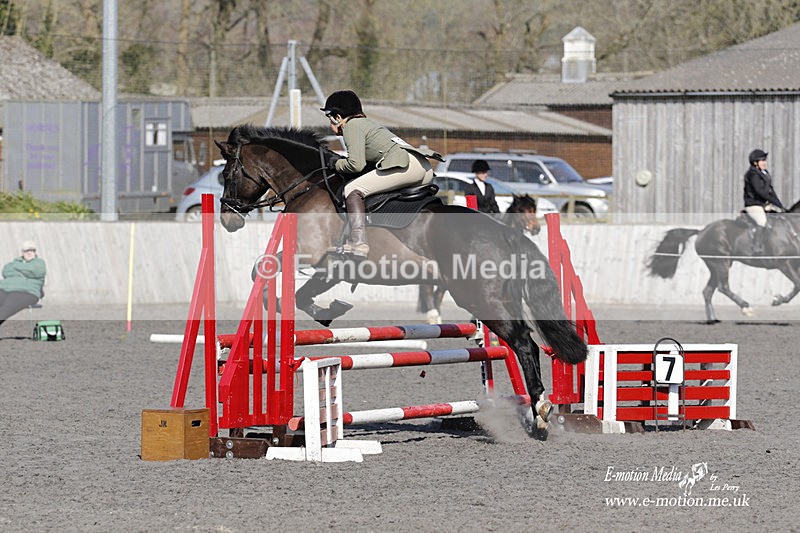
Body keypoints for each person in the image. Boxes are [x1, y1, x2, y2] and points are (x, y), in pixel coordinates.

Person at [322, 90, 443, 258]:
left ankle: (358, 242)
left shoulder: (351, 126)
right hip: (424, 167)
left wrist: (336, 163)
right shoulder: (368, 124)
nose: (330, 124)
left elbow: (355, 165)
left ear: (337, 117)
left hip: (405, 166)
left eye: (330, 119)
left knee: (352, 189)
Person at [743, 149, 785, 253]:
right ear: (755, 163)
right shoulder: (752, 174)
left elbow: (770, 190)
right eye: (762, 160)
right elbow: (760, 191)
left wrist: (779, 204)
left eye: (765, 160)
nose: (765, 162)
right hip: (753, 205)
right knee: (762, 221)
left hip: (763, 204)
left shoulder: (764, 173)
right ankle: (756, 247)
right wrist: (773, 202)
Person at [0, 240, 46, 327]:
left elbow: (37, 271)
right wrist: (26, 272)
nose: (29, 252)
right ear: (22, 252)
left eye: (32, 250)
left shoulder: (39, 263)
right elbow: (6, 271)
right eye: (26, 250)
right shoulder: (14, 262)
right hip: (6, 289)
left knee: (6, 308)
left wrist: (17, 268)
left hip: (27, 292)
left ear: (35, 252)